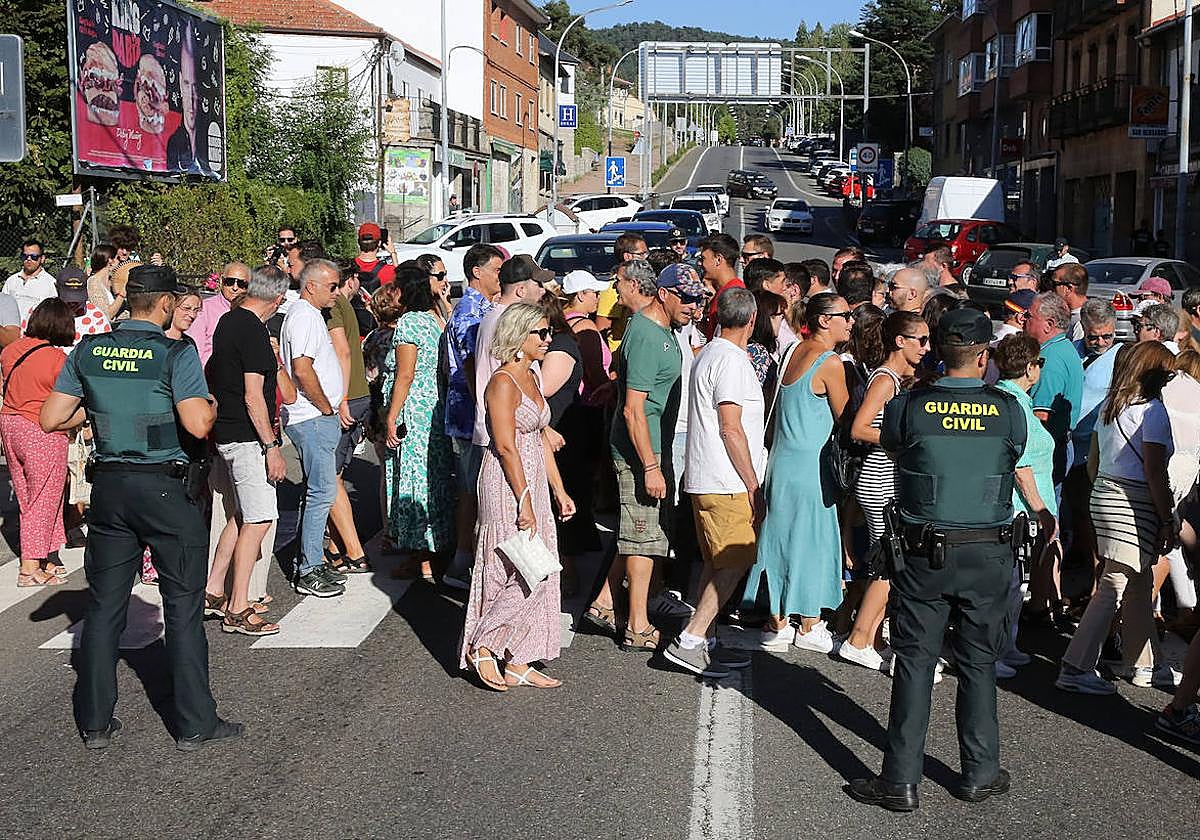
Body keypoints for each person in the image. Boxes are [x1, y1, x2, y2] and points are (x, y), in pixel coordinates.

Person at [40, 264, 242, 751]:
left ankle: (94, 723)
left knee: (104, 608)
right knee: (183, 608)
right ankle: (195, 723)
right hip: (165, 489)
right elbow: (196, 425)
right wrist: (211, 402)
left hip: (110, 488)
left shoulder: (90, 348)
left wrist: (104, 403)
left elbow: (51, 418)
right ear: (168, 303)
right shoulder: (176, 351)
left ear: (130, 299)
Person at [848, 308, 1032, 812]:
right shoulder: (1009, 407)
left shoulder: (910, 405)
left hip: (924, 552)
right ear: (983, 355)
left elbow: (890, 447)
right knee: (978, 663)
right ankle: (980, 771)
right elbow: (1012, 456)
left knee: (914, 662)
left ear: (936, 351)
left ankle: (901, 779)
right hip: (987, 551)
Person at [587, 262, 703, 652]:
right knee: (643, 539)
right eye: (686, 299)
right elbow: (634, 411)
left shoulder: (663, 329)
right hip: (642, 451)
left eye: (697, 300)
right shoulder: (650, 334)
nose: (693, 307)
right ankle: (636, 625)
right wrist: (650, 466)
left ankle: (604, 602)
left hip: (653, 445)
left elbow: (635, 386)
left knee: (642, 533)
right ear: (664, 293)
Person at [460, 303, 575, 690]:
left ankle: (518, 658)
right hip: (506, 482)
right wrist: (523, 499)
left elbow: (540, 439)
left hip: (535, 481)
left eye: (548, 333)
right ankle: (484, 644)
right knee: (512, 568)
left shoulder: (533, 375)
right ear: (518, 336)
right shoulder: (503, 381)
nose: (547, 340)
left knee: (540, 566)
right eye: (539, 334)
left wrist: (559, 490)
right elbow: (506, 446)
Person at [1056, 342, 1180, 694]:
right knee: (1115, 583)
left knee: (1136, 582)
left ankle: (1145, 664)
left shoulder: (1113, 407)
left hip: (1106, 493)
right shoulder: (1152, 412)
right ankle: (1075, 665)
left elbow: (1095, 461)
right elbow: (1155, 473)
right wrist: (1167, 518)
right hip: (1134, 500)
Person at [663, 287, 764, 678]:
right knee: (734, 563)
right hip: (727, 480)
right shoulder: (731, 362)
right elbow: (731, 428)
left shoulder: (708, 354)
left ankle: (703, 640)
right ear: (752, 320)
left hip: (710, 477)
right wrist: (753, 484)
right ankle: (690, 638)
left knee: (717, 562)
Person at [743, 293, 852, 651]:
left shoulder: (791, 352)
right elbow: (848, 420)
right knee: (812, 540)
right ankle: (808, 622)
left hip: (781, 458)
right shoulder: (830, 362)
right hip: (811, 464)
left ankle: (777, 621)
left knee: (779, 539)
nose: (850, 321)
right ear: (824, 320)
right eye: (844, 315)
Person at [203, 266, 292, 636]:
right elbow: (255, 397)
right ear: (278, 298)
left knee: (241, 515)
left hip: (227, 431)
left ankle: (213, 589)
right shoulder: (254, 330)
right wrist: (271, 446)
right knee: (259, 519)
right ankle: (238, 608)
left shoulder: (229, 320)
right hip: (247, 437)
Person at [839, 311, 929, 672]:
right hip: (879, 481)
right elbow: (859, 428)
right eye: (920, 340)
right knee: (890, 560)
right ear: (899, 341)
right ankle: (859, 639)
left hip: (885, 478)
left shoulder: (894, 379)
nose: (926, 347)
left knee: (886, 557)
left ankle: (870, 637)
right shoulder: (885, 381)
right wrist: (903, 439)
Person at [992, 334, 1059, 678]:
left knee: (1016, 584)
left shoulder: (1010, 398)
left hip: (1020, 509)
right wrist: (1042, 510)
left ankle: (1008, 644)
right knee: (1010, 584)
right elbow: (1020, 464)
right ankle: (995, 649)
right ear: (1031, 368)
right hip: (1019, 510)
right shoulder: (1014, 404)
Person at [383, 265, 456, 580]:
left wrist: (390, 416)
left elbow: (405, 374)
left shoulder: (410, 323)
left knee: (415, 479)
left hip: (414, 409)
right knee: (436, 477)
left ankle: (421, 554)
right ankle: (438, 545)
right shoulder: (437, 320)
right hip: (437, 407)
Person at [280, 259, 346, 598]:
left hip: (315, 416)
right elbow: (302, 369)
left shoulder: (307, 314)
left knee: (317, 493)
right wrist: (324, 406)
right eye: (332, 287)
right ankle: (308, 569)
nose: (337, 292)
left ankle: (312, 560)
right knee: (321, 493)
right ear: (311, 286)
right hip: (312, 417)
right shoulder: (305, 316)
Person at [1, 298, 76, 586]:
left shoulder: (11, 350)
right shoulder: (58, 360)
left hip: (10, 424)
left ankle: (46, 554)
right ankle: (30, 567)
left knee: (26, 495)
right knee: (44, 496)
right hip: (41, 430)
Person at [442, 244, 504, 587]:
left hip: (476, 410)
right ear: (477, 272)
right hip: (470, 413)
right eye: (496, 269)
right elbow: (470, 365)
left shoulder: (485, 307)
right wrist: (485, 405)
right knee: (471, 487)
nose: (500, 275)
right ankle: (462, 561)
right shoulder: (468, 310)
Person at [323, 264, 373, 573]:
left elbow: (342, 350)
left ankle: (354, 551)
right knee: (334, 474)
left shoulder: (335, 306)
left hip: (348, 396)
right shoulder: (343, 302)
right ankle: (336, 549)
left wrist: (340, 399)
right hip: (355, 394)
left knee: (330, 478)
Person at [185, 262, 248, 364]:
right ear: (222, 281)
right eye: (230, 282)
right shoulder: (205, 309)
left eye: (242, 284)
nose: (235, 288)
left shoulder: (251, 312)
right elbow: (196, 349)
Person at [595, 232, 649, 351]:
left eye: (646, 253)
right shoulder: (613, 288)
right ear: (627, 257)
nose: (646, 258)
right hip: (618, 355)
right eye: (641, 254)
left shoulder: (642, 281)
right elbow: (602, 329)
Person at [698, 234, 744, 340]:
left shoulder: (734, 296)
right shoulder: (723, 292)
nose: (700, 264)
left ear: (718, 259)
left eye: (703, 258)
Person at [4, 239, 58, 322]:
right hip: (12, 331)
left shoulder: (50, 284)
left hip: (35, 332)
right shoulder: (12, 281)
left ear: (42, 258)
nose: (29, 259)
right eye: (25, 256)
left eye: (34, 257)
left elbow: (53, 314)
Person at [747, 288, 787, 391]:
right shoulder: (757, 353)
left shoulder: (752, 348)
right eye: (780, 315)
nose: (782, 320)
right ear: (769, 317)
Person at [1050, 263, 1089, 342]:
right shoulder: (1072, 315)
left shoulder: (1081, 322)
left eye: (1055, 284)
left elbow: (1076, 354)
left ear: (1068, 288)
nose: (1051, 290)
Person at [353, 223, 398, 291]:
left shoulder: (348, 267)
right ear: (379, 243)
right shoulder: (388, 270)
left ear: (358, 242)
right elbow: (399, 282)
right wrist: (393, 253)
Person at [86, 243, 125, 321]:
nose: (120, 262)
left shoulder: (112, 282)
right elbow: (105, 315)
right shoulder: (93, 283)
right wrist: (122, 294)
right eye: (118, 258)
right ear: (110, 260)